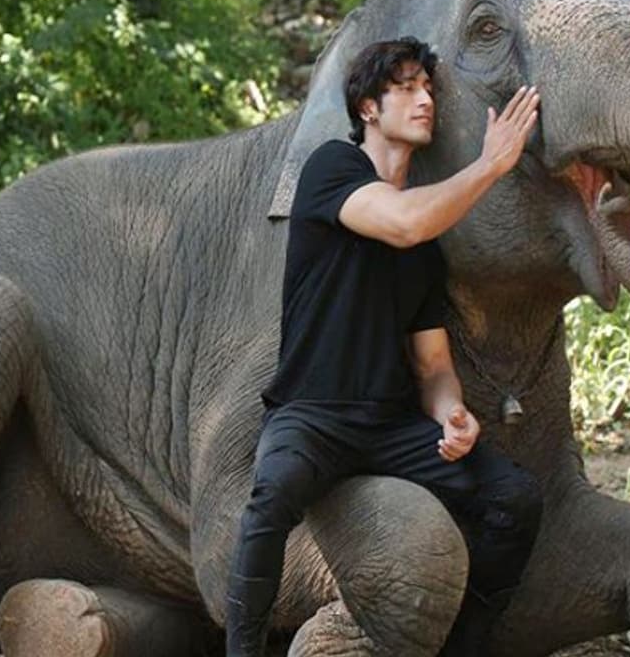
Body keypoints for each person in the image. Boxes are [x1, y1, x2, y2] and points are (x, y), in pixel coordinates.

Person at [224, 37, 544, 657]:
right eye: (405, 87)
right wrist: (490, 164)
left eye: (427, 88)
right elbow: (401, 221)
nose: (424, 99)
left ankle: (464, 647)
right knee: (270, 497)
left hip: (389, 427)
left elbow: (432, 366)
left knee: (514, 498)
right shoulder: (331, 168)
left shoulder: (426, 249)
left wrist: (453, 413)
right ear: (368, 108)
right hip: (312, 414)